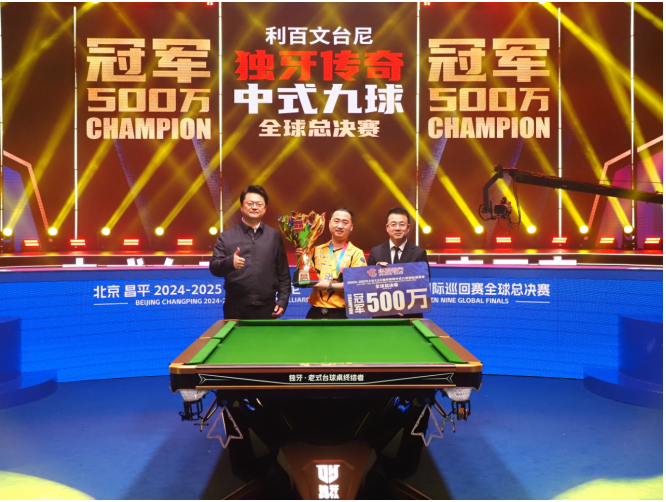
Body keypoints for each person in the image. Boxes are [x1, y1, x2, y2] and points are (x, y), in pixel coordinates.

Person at [209, 185, 291, 320]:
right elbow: (214, 267)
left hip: (267, 307)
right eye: (250, 203)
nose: (254, 207)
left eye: (259, 204)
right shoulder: (226, 236)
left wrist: (283, 300)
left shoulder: (274, 236)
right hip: (235, 307)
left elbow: (283, 274)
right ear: (241, 207)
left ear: (265, 208)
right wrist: (229, 262)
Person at [299, 207, 366, 319]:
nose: (340, 226)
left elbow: (356, 285)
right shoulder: (316, 250)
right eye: (336, 221)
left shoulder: (357, 253)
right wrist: (301, 257)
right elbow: (304, 279)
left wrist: (328, 286)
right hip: (315, 313)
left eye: (345, 222)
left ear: (351, 227)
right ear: (329, 223)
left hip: (341, 314)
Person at [367, 207, 430, 318]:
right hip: (382, 316)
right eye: (393, 224)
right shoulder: (376, 252)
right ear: (387, 227)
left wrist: (406, 306)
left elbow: (423, 284)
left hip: (409, 315)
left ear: (408, 228)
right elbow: (367, 285)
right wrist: (375, 273)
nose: (397, 228)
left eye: (402, 224)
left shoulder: (419, 253)